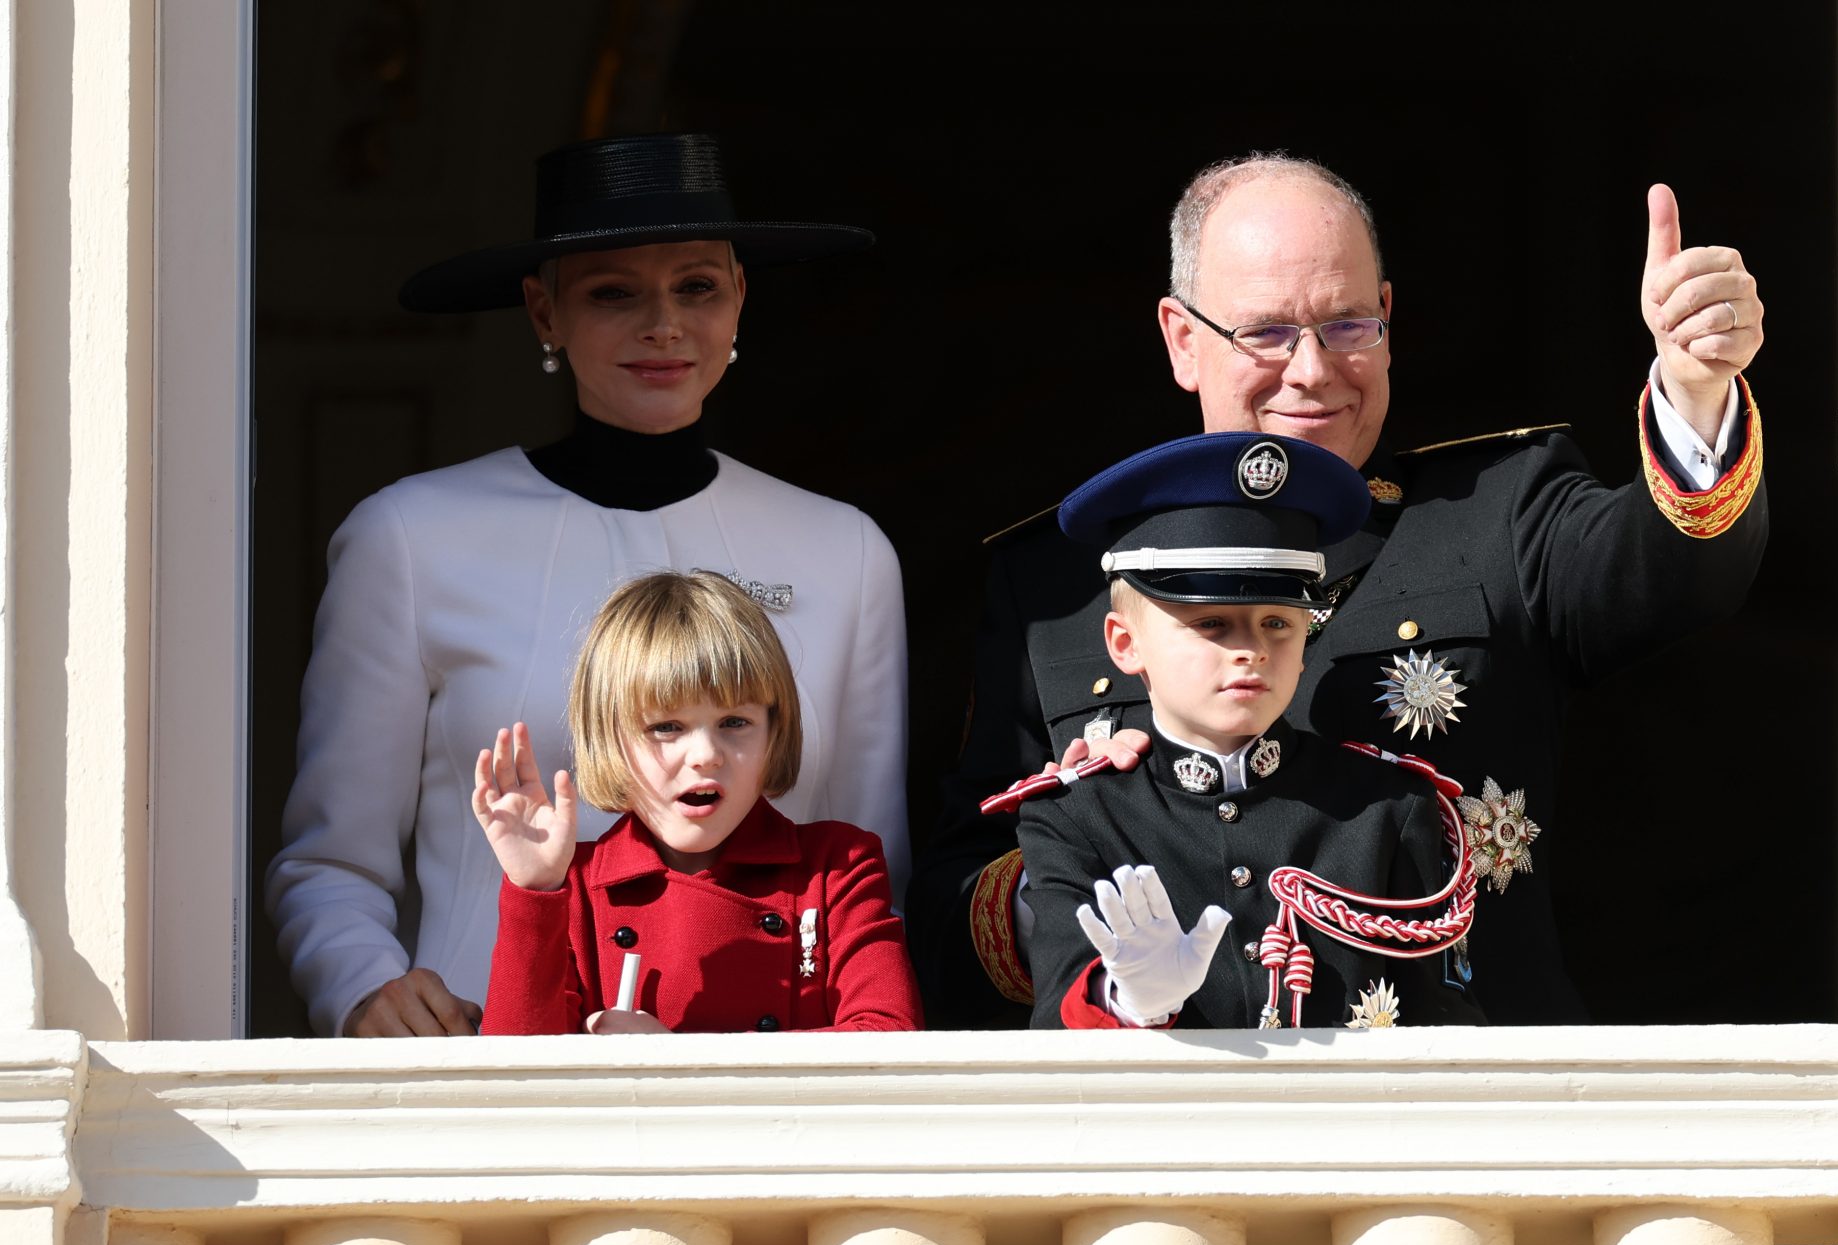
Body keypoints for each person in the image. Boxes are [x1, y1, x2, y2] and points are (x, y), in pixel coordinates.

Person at [909, 151, 1766, 1030]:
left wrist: (1695, 393)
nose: (1313, 370)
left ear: (1389, 316)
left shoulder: (1498, 511)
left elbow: (1675, 575)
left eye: (1349, 325)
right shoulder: (1063, 582)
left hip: (1471, 1108)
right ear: (1181, 339)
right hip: (1169, 1122)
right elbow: (948, 913)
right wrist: (1094, 874)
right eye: (1267, 332)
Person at [268, 133, 910, 1039]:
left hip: (767, 1094)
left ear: (740, 299)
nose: (664, 324)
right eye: (614, 293)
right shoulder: (408, 535)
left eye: (697, 286)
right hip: (482, 1061)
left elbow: (871, 862)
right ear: (543, 312)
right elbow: (329, 863)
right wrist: (365, 986)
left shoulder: (843, 549)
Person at [1017, 432, 1481, 1032]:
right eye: (1211, 623)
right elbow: (1055, 1026)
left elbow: (1447, 1028)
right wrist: (1128, 1001)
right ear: (1125, 645)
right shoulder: (1077, 816)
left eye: (1277, 623)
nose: (1251, 651)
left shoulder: (1386, 806)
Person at [476, 571, 921, 1037]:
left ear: (775, 730)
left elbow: (887, 1037)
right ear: (608, 738)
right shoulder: (574, 889)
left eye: (734, 721)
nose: (707, 755)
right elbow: (515, 1081)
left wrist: (678, 1063)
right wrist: (535, 893)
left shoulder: (837, 867)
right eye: (667, 727)